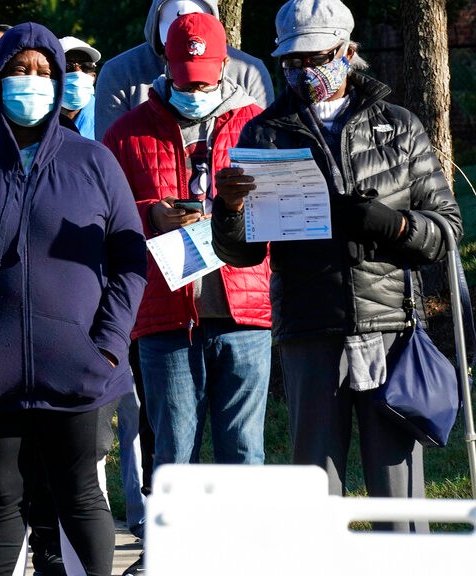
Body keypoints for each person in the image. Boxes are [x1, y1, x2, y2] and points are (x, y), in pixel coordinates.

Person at [211, 0, 461, 532]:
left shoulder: (400, 126)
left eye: (316, 56)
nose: (305, 71)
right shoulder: (264, 133)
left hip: (390, 329)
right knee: (315, 499)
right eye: (292, 61)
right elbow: (244, 254)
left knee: (400, 504)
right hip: (309, 330)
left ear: (348, 52)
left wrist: (390, 225)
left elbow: (446, 231)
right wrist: (228, 213)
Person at [0, 23, 147, 576]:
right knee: (1, 503)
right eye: (19, 70)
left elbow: (129, 260)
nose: (31, 82)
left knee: (81, 498)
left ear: (61, 82)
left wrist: (107, 348)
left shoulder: (94, 162)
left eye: (43, 72)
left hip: (80, 377)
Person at [103, 14, 271, 574]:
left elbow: (286, 217)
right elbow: (103, 220)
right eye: (184, 77)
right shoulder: (126, 135)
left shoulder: (259, 127)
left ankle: (243, 556)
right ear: (165, 68)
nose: (194, 89)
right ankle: (172, 555)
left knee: (242, 446)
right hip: (165, 312)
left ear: (225, 65)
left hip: (243, 306)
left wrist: (236, 210)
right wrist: (151, 214)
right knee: (174, 446)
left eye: (203, 77)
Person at [94, 0, 274, 141]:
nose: (194, 92)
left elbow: (262, 150)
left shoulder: (249, 71)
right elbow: (112, 158)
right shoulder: (119, 73)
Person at [58, 36, 100, 140]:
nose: (77, 72)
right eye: (67, 66)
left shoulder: (107, 118)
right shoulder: (35, 119)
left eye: (86, 66)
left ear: (93, 77)